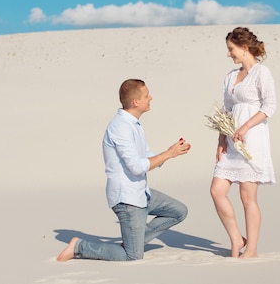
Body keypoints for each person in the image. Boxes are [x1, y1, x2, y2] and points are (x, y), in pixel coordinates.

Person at [57, 79, 191, 262]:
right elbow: (136, 167)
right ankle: (79, 246)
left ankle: (134, 240)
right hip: (127, 199)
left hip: (141, 193)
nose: (150, 98)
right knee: (132, 255)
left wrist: (172, 151)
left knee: (178, 211)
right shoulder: (120, 127)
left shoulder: (133, 124)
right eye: (146, 95)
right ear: (136, 102)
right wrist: (168, 154)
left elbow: (144, 155)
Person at [210, 27, 276, 259]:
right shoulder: (230, 76)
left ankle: (253, 249)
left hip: (252, 141)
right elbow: (226, 110)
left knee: (248, 198)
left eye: (231, 49)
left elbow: (269, 106)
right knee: (217, 191)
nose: (229, 54)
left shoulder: (261, 73)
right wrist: (221, 139)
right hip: (231, 141)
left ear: (244, 47)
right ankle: (237, 238)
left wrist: (245, 127)